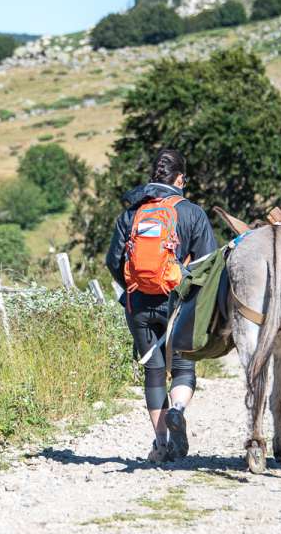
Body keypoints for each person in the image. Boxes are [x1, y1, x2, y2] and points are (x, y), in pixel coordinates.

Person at [105, 149, 217, 462]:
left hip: (138, 303)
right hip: (178, 303)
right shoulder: (192, 213)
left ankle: (161, 444)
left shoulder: (131, 214)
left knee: (153, 373)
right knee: (182, 367)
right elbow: (208, 264)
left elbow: (113, 261)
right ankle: (178, 411)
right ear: (180, 179)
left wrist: (133, 287)